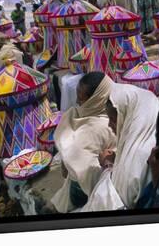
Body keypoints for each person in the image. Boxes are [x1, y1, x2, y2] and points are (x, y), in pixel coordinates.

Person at [81, 84, 159, 211]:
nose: (109, 125)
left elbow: (118, 202)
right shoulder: (144, 137)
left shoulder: (141, 155)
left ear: (129, 117)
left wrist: (107, 165)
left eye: (113, 119)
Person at [51, 72, 117, 213]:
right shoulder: (79, 114)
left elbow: (91, 174)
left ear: (96, 99)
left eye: (81, 100)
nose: (77, 103)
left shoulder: (101, 127)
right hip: (81, 181)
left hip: (88, 188)